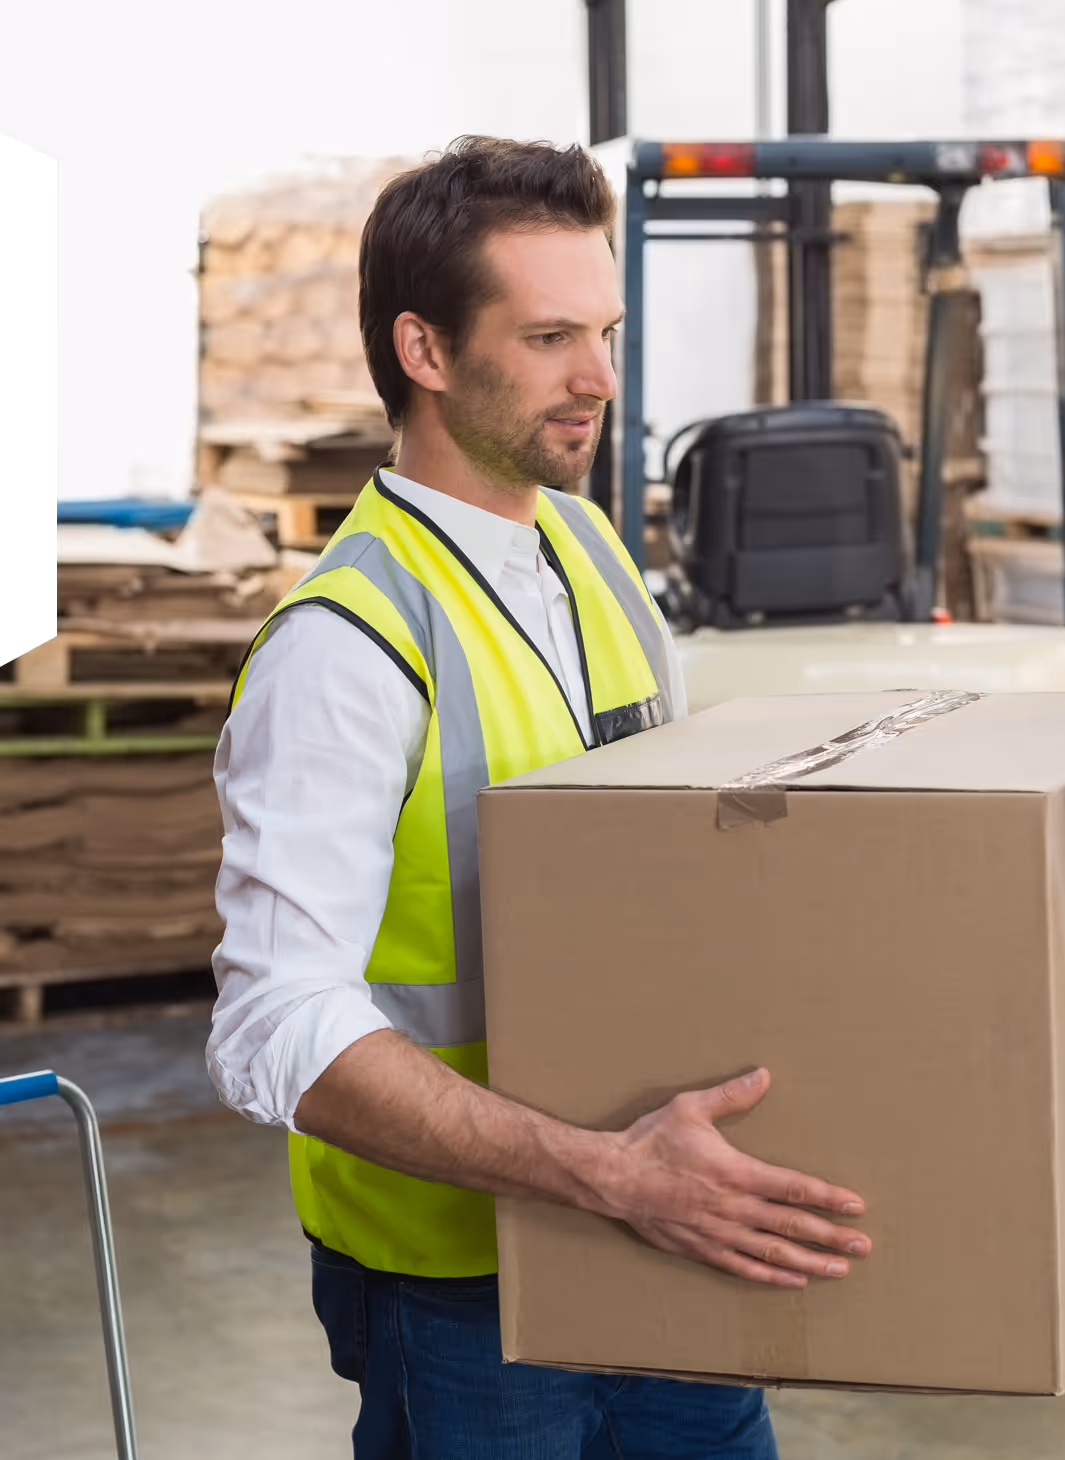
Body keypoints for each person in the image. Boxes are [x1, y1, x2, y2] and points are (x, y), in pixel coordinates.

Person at [206, 137, 871, 1460]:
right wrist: (609, 1173)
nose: (603, 381)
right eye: (555, 336)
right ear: (427, 351)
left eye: (610, 331)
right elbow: (272, 1027)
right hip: (461, 1288)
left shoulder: (583, 545)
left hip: (668, 1229)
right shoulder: (345, 646)